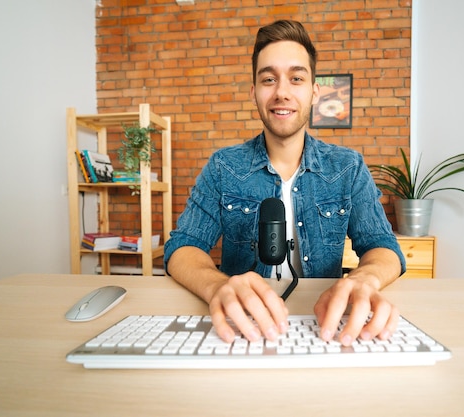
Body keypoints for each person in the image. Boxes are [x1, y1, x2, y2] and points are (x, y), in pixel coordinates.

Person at [164, 20, 406, 347]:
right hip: (243, 327)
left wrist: (365, 280)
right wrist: (216, 286)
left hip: (327, 326)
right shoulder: (223, 167)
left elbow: (383, 247)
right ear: (254, 92)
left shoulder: (348, 167)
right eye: (268, 79)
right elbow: (183, 247)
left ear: (314, 91)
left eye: (296, 78)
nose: (281, 92)